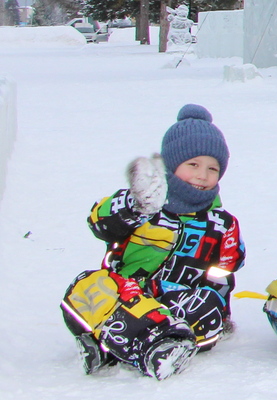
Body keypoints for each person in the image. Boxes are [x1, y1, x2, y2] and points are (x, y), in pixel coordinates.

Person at [62, 105, 244, 380]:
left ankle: (152, 347)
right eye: (192, 165)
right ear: (172, 165)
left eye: (212, 168)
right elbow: (98, 223)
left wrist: (217, 307)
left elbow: (223, 273)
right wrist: (132, 204)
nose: (202, 175)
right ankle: (120, 344)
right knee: (86, 286)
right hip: (127, 296)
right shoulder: (146, 204)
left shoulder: (223, 225)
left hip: (178, 305)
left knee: (201, 308)